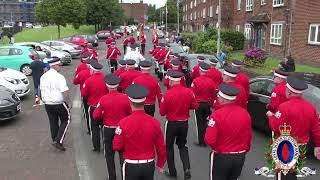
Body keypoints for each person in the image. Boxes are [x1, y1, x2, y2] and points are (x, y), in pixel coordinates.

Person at [268, 76, 320, 179]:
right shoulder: (311, 107)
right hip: (301, 147)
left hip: (286, 146)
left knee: (282, 174)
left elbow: (275, 127)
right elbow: (316, 129)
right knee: (293, 171)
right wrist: (318, 145)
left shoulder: (284, 107)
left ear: (289, 92)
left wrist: (271, 117)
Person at [113, 84, 167, 180]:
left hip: (131, 164)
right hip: (148, 164)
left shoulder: (123, 123)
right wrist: (160, 163)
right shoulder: (155, 123)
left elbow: (116, 146)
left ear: (129, 101)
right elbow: (161, 147)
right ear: (144, 101)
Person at [205, 83, 252, 180]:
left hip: (222, 156)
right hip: (240, 156)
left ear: (222, 99)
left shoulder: (216, 115)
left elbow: (210, 140)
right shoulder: (245, 114)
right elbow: (248, 137)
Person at [160, 70, 199, 180]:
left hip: (171, 123)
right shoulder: (189, 92)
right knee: (182, 146)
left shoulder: (168, 94)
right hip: (184, 123)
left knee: (169, 147)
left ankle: (172, 172)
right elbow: (195, 106)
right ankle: (187, 169)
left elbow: (162, 112)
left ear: (171, 81)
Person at [93, 74, 132, 180]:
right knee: (123, 154)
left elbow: (96, 115)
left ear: (107, 86)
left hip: (108, 129)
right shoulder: (125, 98)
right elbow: (130, 113)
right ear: (118, 85)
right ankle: (125, 175)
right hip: (122, 129)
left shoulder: (103, 99)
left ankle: (112, 176)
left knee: (109, 155)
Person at [39, 58, 72, 151]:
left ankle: (55, 139)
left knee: (53, 121)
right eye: (58, 65)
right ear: (54, 66)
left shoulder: (43, 77)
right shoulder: (59, 77)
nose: (60, 66)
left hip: (47, 103)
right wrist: (69, 102)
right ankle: (59, 141)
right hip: (58, 103)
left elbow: (41, 90)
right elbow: (65, 92)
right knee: (66, 120)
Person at [81, 61, 108, 152]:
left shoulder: (88, 80)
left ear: (92, 70)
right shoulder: (106, 79)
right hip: (105, 107)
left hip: (93, 107)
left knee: (94, 128)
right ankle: (106, 145)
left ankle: (96, 147)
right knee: (104, 127)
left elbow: (84, 93)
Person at [191, 62, 217, 147]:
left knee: (199, 122)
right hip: (208, 104)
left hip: (198, 104)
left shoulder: (196, 81)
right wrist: (212, 103)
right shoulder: (211, 82)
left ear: (200, 70)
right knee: (206, 122)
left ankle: (201, 141)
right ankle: (206, 139)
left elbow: (192, 94)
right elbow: (213, 95)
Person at [73, 59, 94, 134]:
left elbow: (75, 82)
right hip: (97, 96)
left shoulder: (81, 72)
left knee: (87, 112)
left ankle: (90, 128)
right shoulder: (100, 74)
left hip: (86, 95)